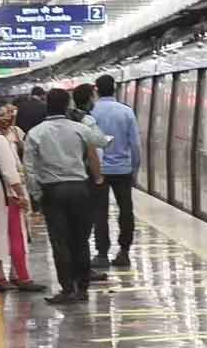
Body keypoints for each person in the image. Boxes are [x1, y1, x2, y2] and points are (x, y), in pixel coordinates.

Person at [24, 88, 104, 305]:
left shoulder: (35, 133)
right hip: (79, 188)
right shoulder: (80, 128)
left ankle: (67, 289)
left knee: (60, 242)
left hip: (53, 191)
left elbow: (29, 169)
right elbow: (101, 143)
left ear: (46, 105)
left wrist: (36, 195)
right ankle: (83, 287)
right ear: (67, 105)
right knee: (81, 240)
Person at [0, 104, 46, 294]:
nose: (6, 118)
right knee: (17, 235)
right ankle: (23, 277)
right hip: (7, 195)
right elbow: (10, 172)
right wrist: (21, 195)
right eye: (1, 115)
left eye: (7, 114)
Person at [90, 75, 141, 269]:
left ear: (97, 90)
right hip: (123, 169)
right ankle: (124, 251)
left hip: (98, 170)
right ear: (115, 89)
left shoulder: (91, 113)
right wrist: (135, 168)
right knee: (126, 211)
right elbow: (135, 144)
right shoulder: (126, 112)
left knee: (99, 212)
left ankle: (102, 254)